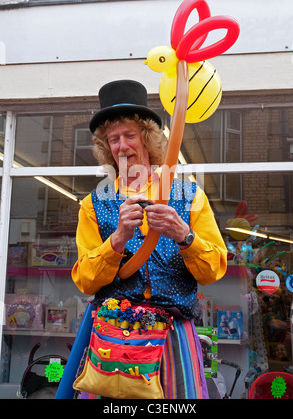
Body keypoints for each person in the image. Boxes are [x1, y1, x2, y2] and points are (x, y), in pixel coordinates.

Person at [72, 79, 227, 399]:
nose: (122, 145)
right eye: (113, 139)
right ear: (106, 147)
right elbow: (85, 280)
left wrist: (184, 236)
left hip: (172, 334)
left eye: (129, 134)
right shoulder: (93, 204)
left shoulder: (188, 195)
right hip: (114, 336)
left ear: (147, 139)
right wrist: (117, 240)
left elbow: (213, 270)